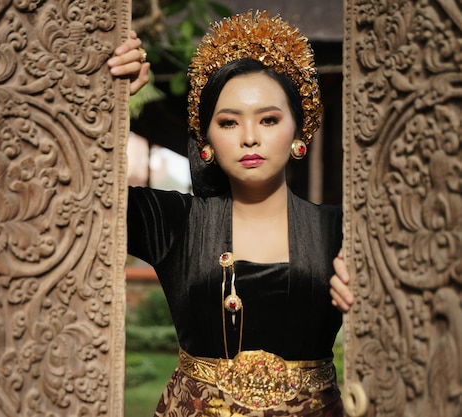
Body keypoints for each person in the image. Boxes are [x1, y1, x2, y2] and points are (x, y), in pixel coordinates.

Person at [110, 10, 355, 417]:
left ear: (299, 129)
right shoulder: (176, 223)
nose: (250, 137)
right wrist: (111, 102)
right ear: (205, 140)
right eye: (228, 122)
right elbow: (71, 193)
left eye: (269, 119)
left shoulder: (344, 230)